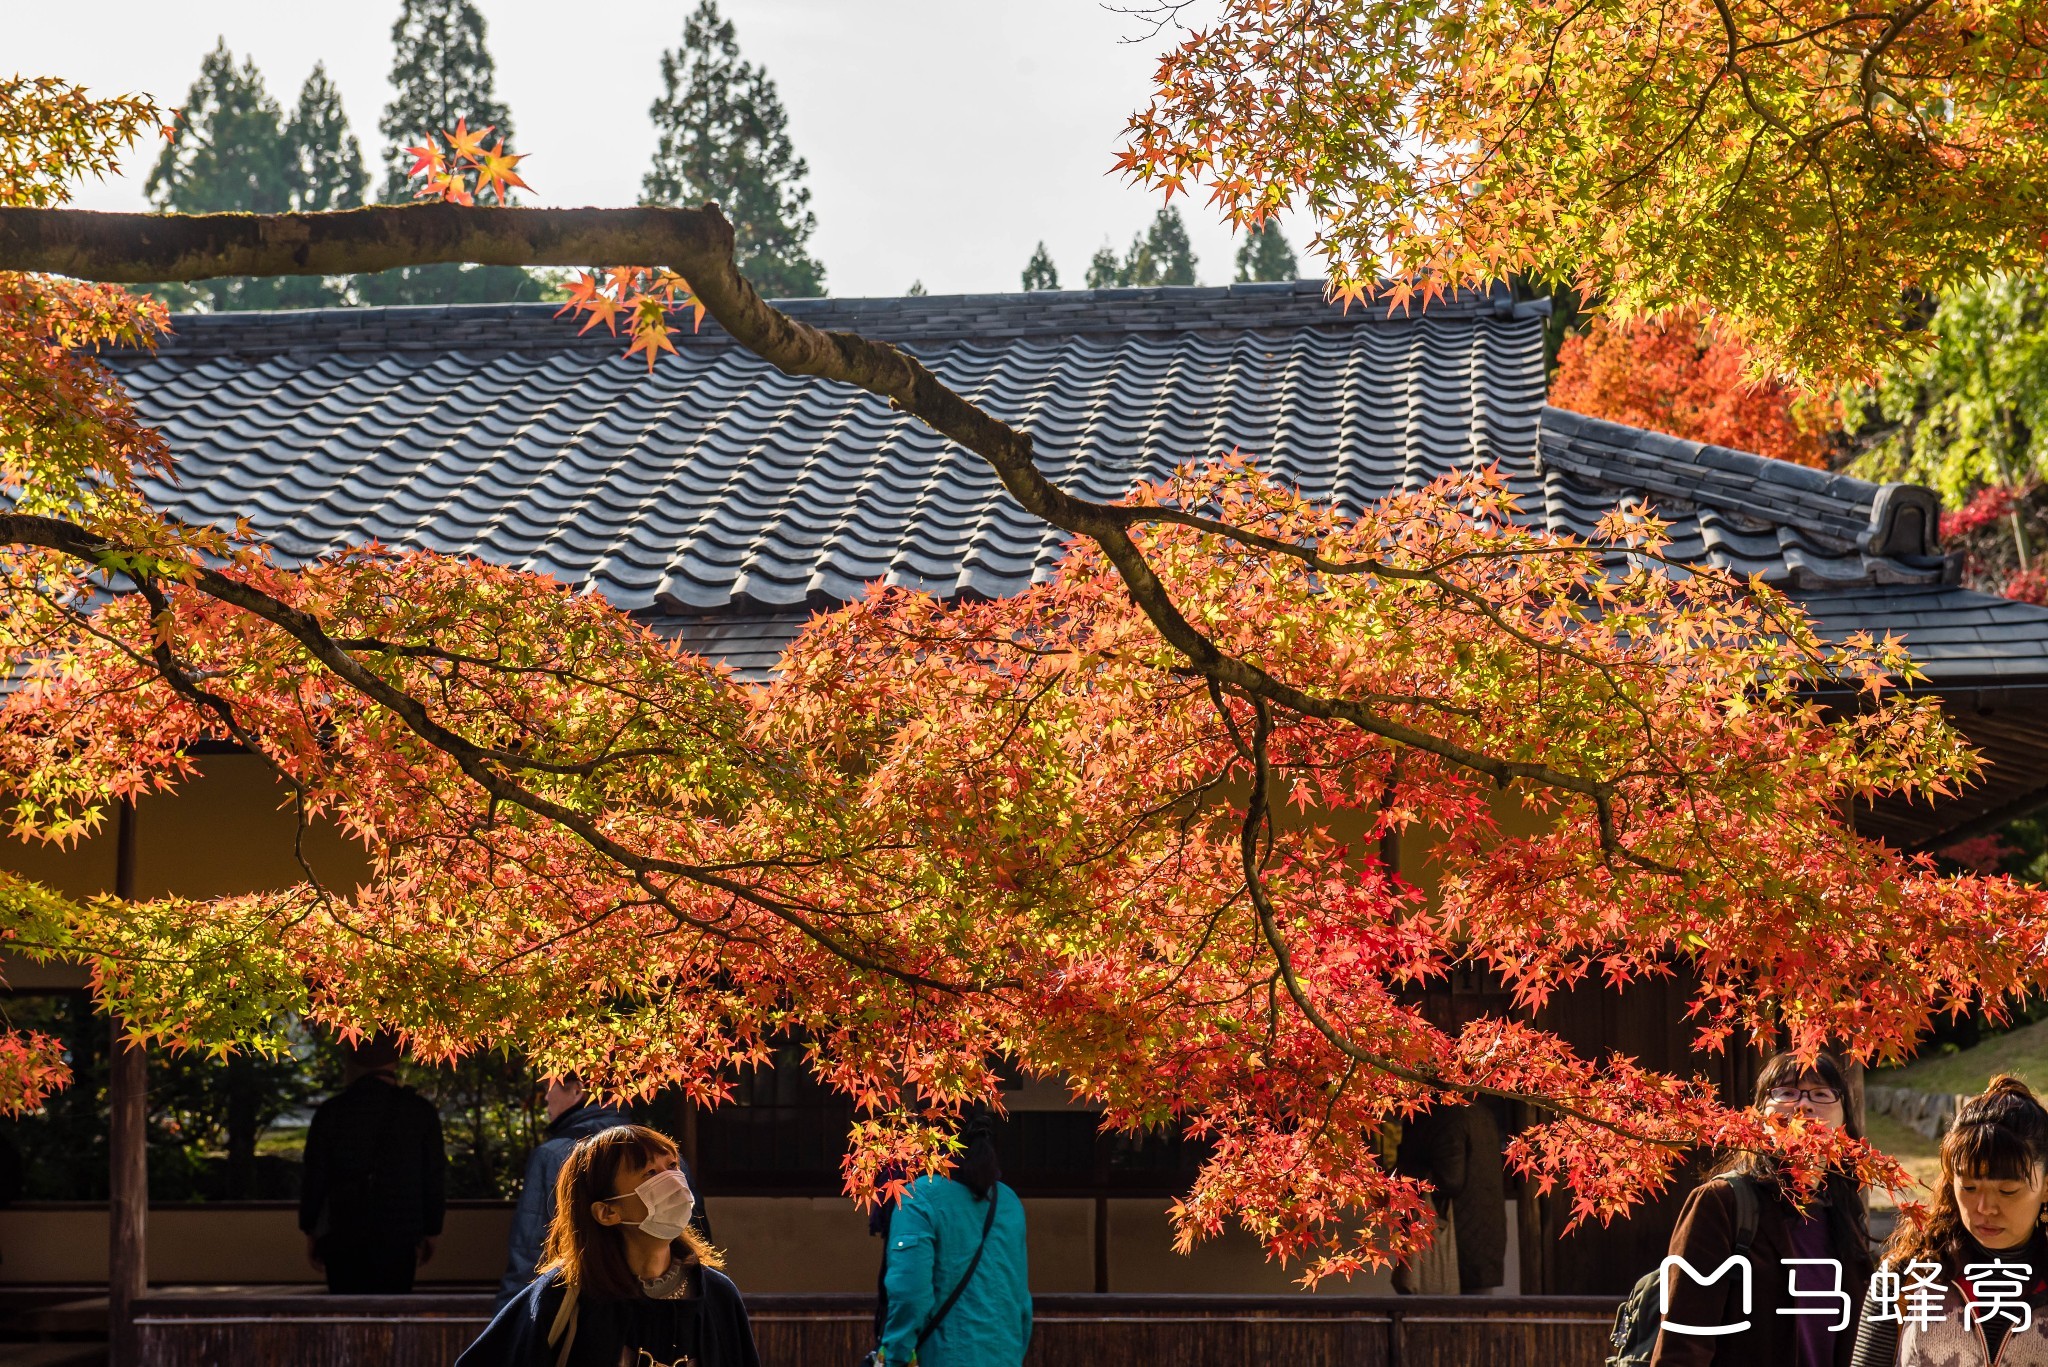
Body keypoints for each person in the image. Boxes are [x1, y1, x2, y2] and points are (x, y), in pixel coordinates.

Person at [457, 1124, 759, 1367]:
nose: (675, 1183)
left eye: (672, 1166)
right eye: (651, 1174)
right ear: (607, 1212)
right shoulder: (563, 1296)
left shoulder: (717, 1295)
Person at [1653, 1051, 1873, 1366]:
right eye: (1786, 1092)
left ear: (1845, 1122)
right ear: (1758, 1118)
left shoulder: (1843, 1216)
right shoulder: (1723, 1204)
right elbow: (1682, 1344)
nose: (1804, 1105)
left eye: (1821, 1093)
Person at [1849, 1074, 2048, 1367]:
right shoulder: (1906, 1275)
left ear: (2045, 1187)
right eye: (1968, 1187)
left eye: (2007, 1191)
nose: (1985, 1208)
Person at [497, 1077, 706, 1308]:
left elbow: (529, 1253)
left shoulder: (554, 1156)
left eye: (548, 1088)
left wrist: (514, 1317)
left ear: (577, 1089)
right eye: (650, 1173)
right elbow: (696, 1235)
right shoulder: (661, 1151)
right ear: (605, 1212)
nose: (545, 1097)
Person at [875, 1113, 1031, 1367]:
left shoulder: (919, 1196)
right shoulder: (1009, 1201)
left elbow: (910, 1293)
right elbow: (1020, 1300)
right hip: (1004, 1356)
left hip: (942, 1355)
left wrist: (894, 1357)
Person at [298, 1030, 447, 1294]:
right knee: (393, 1313)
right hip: (400, 1232)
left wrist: (310, 1229)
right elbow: (433, 1176)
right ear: (397, 1057)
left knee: (346, 1313)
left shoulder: (333, 1111)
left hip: (344, 1229)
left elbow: (315, 1176)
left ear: (352, 1057)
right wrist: (432, 1229)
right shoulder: (419, 1112)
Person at [1393, 1101, 1507, 1293]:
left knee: (1436, 1313)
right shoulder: (1482, 1112)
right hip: (1483, 1232)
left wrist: (1405, 1175)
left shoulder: (1440, 1115)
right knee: (1476, 1311)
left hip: (1452, 1238)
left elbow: (1449, 1180)